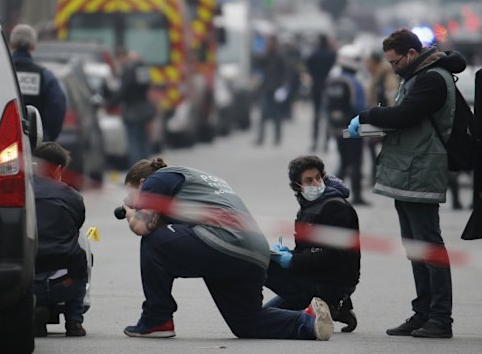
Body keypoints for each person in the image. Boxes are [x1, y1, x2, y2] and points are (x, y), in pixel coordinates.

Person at [118, 158, 334, 340]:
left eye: (132, 195)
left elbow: (142, 226)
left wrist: (130, 213)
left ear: (143, 182)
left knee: (153, 242)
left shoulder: (159, 179)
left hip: (224, 240)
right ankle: (308, 321)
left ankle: (157, 319)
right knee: (247, 323)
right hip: (251, 251)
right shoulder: (194, 180)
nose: (133, 202)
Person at [348, 28, 467, 338]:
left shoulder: (431, 79)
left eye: (395, 61)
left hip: (423, 170)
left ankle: (440, 319)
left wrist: (367, 115)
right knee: (415, 246)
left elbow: (405, 115)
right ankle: (422, 313)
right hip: (411, 170)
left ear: (412, 54)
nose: (392, 67)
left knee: (429, 246)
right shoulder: (418, 75)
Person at [264, 155, 360, 333]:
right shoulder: (307, 207)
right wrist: (288, 254)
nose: (315, 183)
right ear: (297, 186)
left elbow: (336, 256)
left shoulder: (336, 208)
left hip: (331, 282)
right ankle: (335, 308)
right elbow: (307, 250)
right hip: (313, 277)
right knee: (268, 312)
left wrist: (292, 261)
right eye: (308, 180)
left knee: (266, 316)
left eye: (318, 177)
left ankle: (330, 303)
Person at [32, 142, 88, 337]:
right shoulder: (72, 196)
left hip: (26, 286)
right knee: (80, 256)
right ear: (57, 169)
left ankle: (35, 311)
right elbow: (78, 224)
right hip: (65, 284)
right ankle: (74, 320)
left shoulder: (19, 193)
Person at [325, 44, 369, 205]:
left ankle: (332, 194)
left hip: (337, 128)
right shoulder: (354, 83)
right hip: (353, 129)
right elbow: (360, 108)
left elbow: (326, 107)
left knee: (344, 162)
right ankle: (356, 196)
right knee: (356, 162)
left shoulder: (332, 80)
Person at [10, 24, 66, 142]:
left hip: (4, 141)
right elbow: (57, 106)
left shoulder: (1, 71)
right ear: (33, 46)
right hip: (36, 143)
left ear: (11, 44)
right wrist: (47, 136)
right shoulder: (45, 76)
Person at [110, 48, 155, 167]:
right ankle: (147, 169)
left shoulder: (129, 69)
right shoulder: (142, 69)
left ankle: (137, 171)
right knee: (143, 140)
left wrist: (110, 103)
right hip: (144, 110)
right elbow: (147, 86)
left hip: (132, 111)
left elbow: (123, 90)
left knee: (134, 142)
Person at [364, 51, 400, 186]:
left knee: (385, 148)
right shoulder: (377, 76)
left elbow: (391, 97)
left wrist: (390, 120)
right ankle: (376, 176)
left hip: (385, 120)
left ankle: (382, 177)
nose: (367, 66)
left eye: (368, 63)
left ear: (375, 63)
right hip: (378, 119)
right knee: (372, 145)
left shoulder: (387, 75)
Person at [254, 35, 287, 146]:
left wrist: (282, 86)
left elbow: (284, 72)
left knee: (276, 115)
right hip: (266, 88)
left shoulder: (279, 56)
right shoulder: (266, 55)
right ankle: (261, 138)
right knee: (263, 115)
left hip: (275, 89)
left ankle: (277, 138)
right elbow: (258, 64)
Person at [306, 34, 336, 152]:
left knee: (316, 116)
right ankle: (326, 142)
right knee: (328, 116)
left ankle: (314, 141)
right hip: (329, 87)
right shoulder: (331, 55)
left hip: (316, 87)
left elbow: (307, 66)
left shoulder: (313, 55)